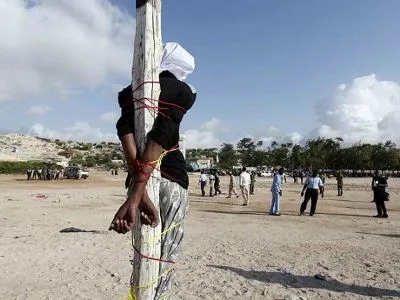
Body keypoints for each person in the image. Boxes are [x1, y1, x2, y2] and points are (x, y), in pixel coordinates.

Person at [109, 42, 196, 299]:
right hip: (169, 182)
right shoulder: (181, 91)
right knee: (164, 258)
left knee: (143, 253)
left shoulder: (129, 93)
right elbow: (163, 134)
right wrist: (137, 196)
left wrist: (136, 195)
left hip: (139, 180)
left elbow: (124, 128)